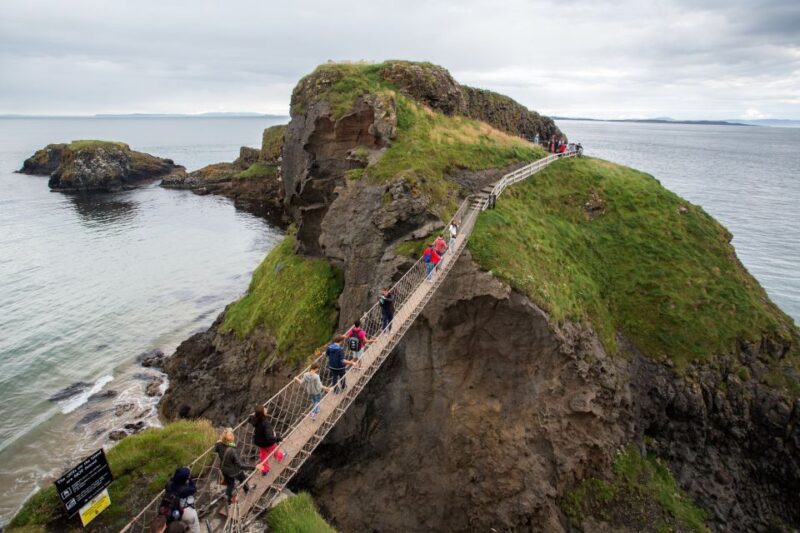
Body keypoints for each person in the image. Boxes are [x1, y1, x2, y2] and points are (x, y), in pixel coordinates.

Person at [214, 428, 254, 504]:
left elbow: (215, 449)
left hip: (224, 469)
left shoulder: (219, 444)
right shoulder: (232, 449)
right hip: (233, 470)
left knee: (230, 484)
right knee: (242, 478)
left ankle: (228, 498)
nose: (233, 436)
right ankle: (247, 489)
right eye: (231, 435)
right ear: (231, 438)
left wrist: (219, 441)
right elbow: (240, 465)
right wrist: (254, 467)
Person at [249, 405, 284, 476]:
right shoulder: (266, 424)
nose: (266, 408)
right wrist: (278, 439)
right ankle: (280, 457)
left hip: (259, 442)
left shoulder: (255, 419)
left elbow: (249, 418)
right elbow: (269, 437)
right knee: (274, 450)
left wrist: (253, 414)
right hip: (268, 443)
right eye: (264, 409)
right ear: (262, 413)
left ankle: (265, 469)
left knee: (263, 456)